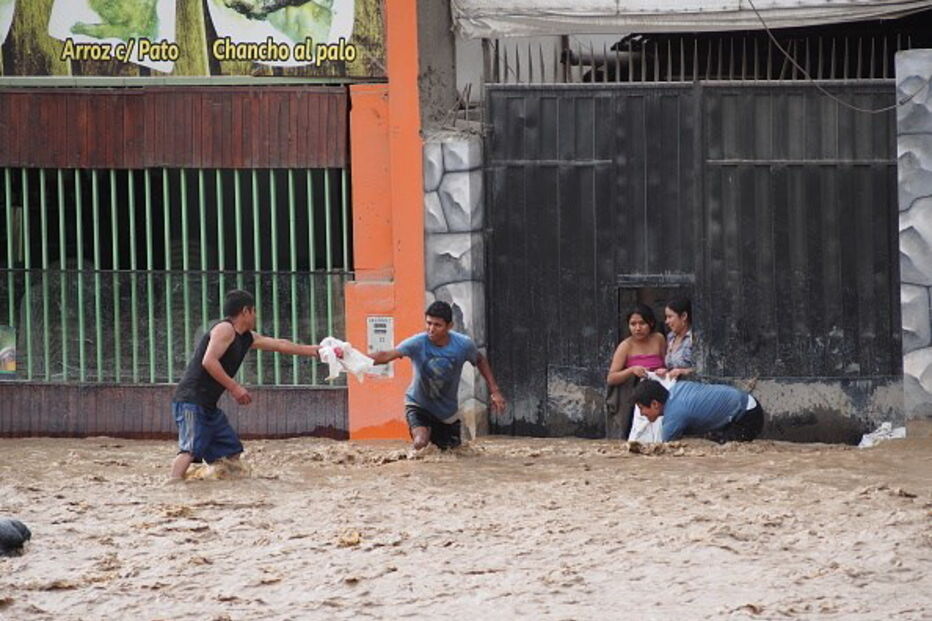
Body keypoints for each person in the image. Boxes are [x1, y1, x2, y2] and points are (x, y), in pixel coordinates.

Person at [170, 289, 333, 480]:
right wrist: (235, 387)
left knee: (231, 453)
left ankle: (211, 484)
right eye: (254, 311)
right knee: (189, 450)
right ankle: (173, 488)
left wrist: (319, 352)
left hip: (208, 405)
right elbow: (209, 361)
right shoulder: (225, 329)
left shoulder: (247, 337)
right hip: (191, 400)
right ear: (245, 311)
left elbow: (280, 344)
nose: (255, 315)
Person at [370, 301, 506, 451]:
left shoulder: (463, 345)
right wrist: (353, 360)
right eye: (428, 323)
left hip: (447, 414)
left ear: (449, 326)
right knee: (421, 443)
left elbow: (480, 360)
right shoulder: (417, 343)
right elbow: (387, 355)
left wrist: (495, 391)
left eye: (437, 325)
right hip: (418, 405)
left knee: (455, 455)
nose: (431, 329)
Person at [632, 379, 764, 443]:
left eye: (642, 408)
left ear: (655, 404)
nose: (642, 414)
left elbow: (662, 450)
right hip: (748, 403)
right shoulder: (677, 387)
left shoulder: (673, 418)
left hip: (748, 416)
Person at [606, 304, 666, 386]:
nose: (638, 328)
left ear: (651, 323)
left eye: (642, 323)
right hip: (636, 393)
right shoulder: (625, 346)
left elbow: (667, 364)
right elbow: (611, 379)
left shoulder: (659, 339)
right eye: (633, 324)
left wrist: (664, 371)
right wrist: (631, 370)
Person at [656, 297, 694, 380]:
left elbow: (706, 370)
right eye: (666, 317)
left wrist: (683, 372)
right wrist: (666, 371)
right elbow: (672, 367)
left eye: (670, 317)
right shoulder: (671, 337)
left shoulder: (695, 338)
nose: (667, 321)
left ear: (684, 316)